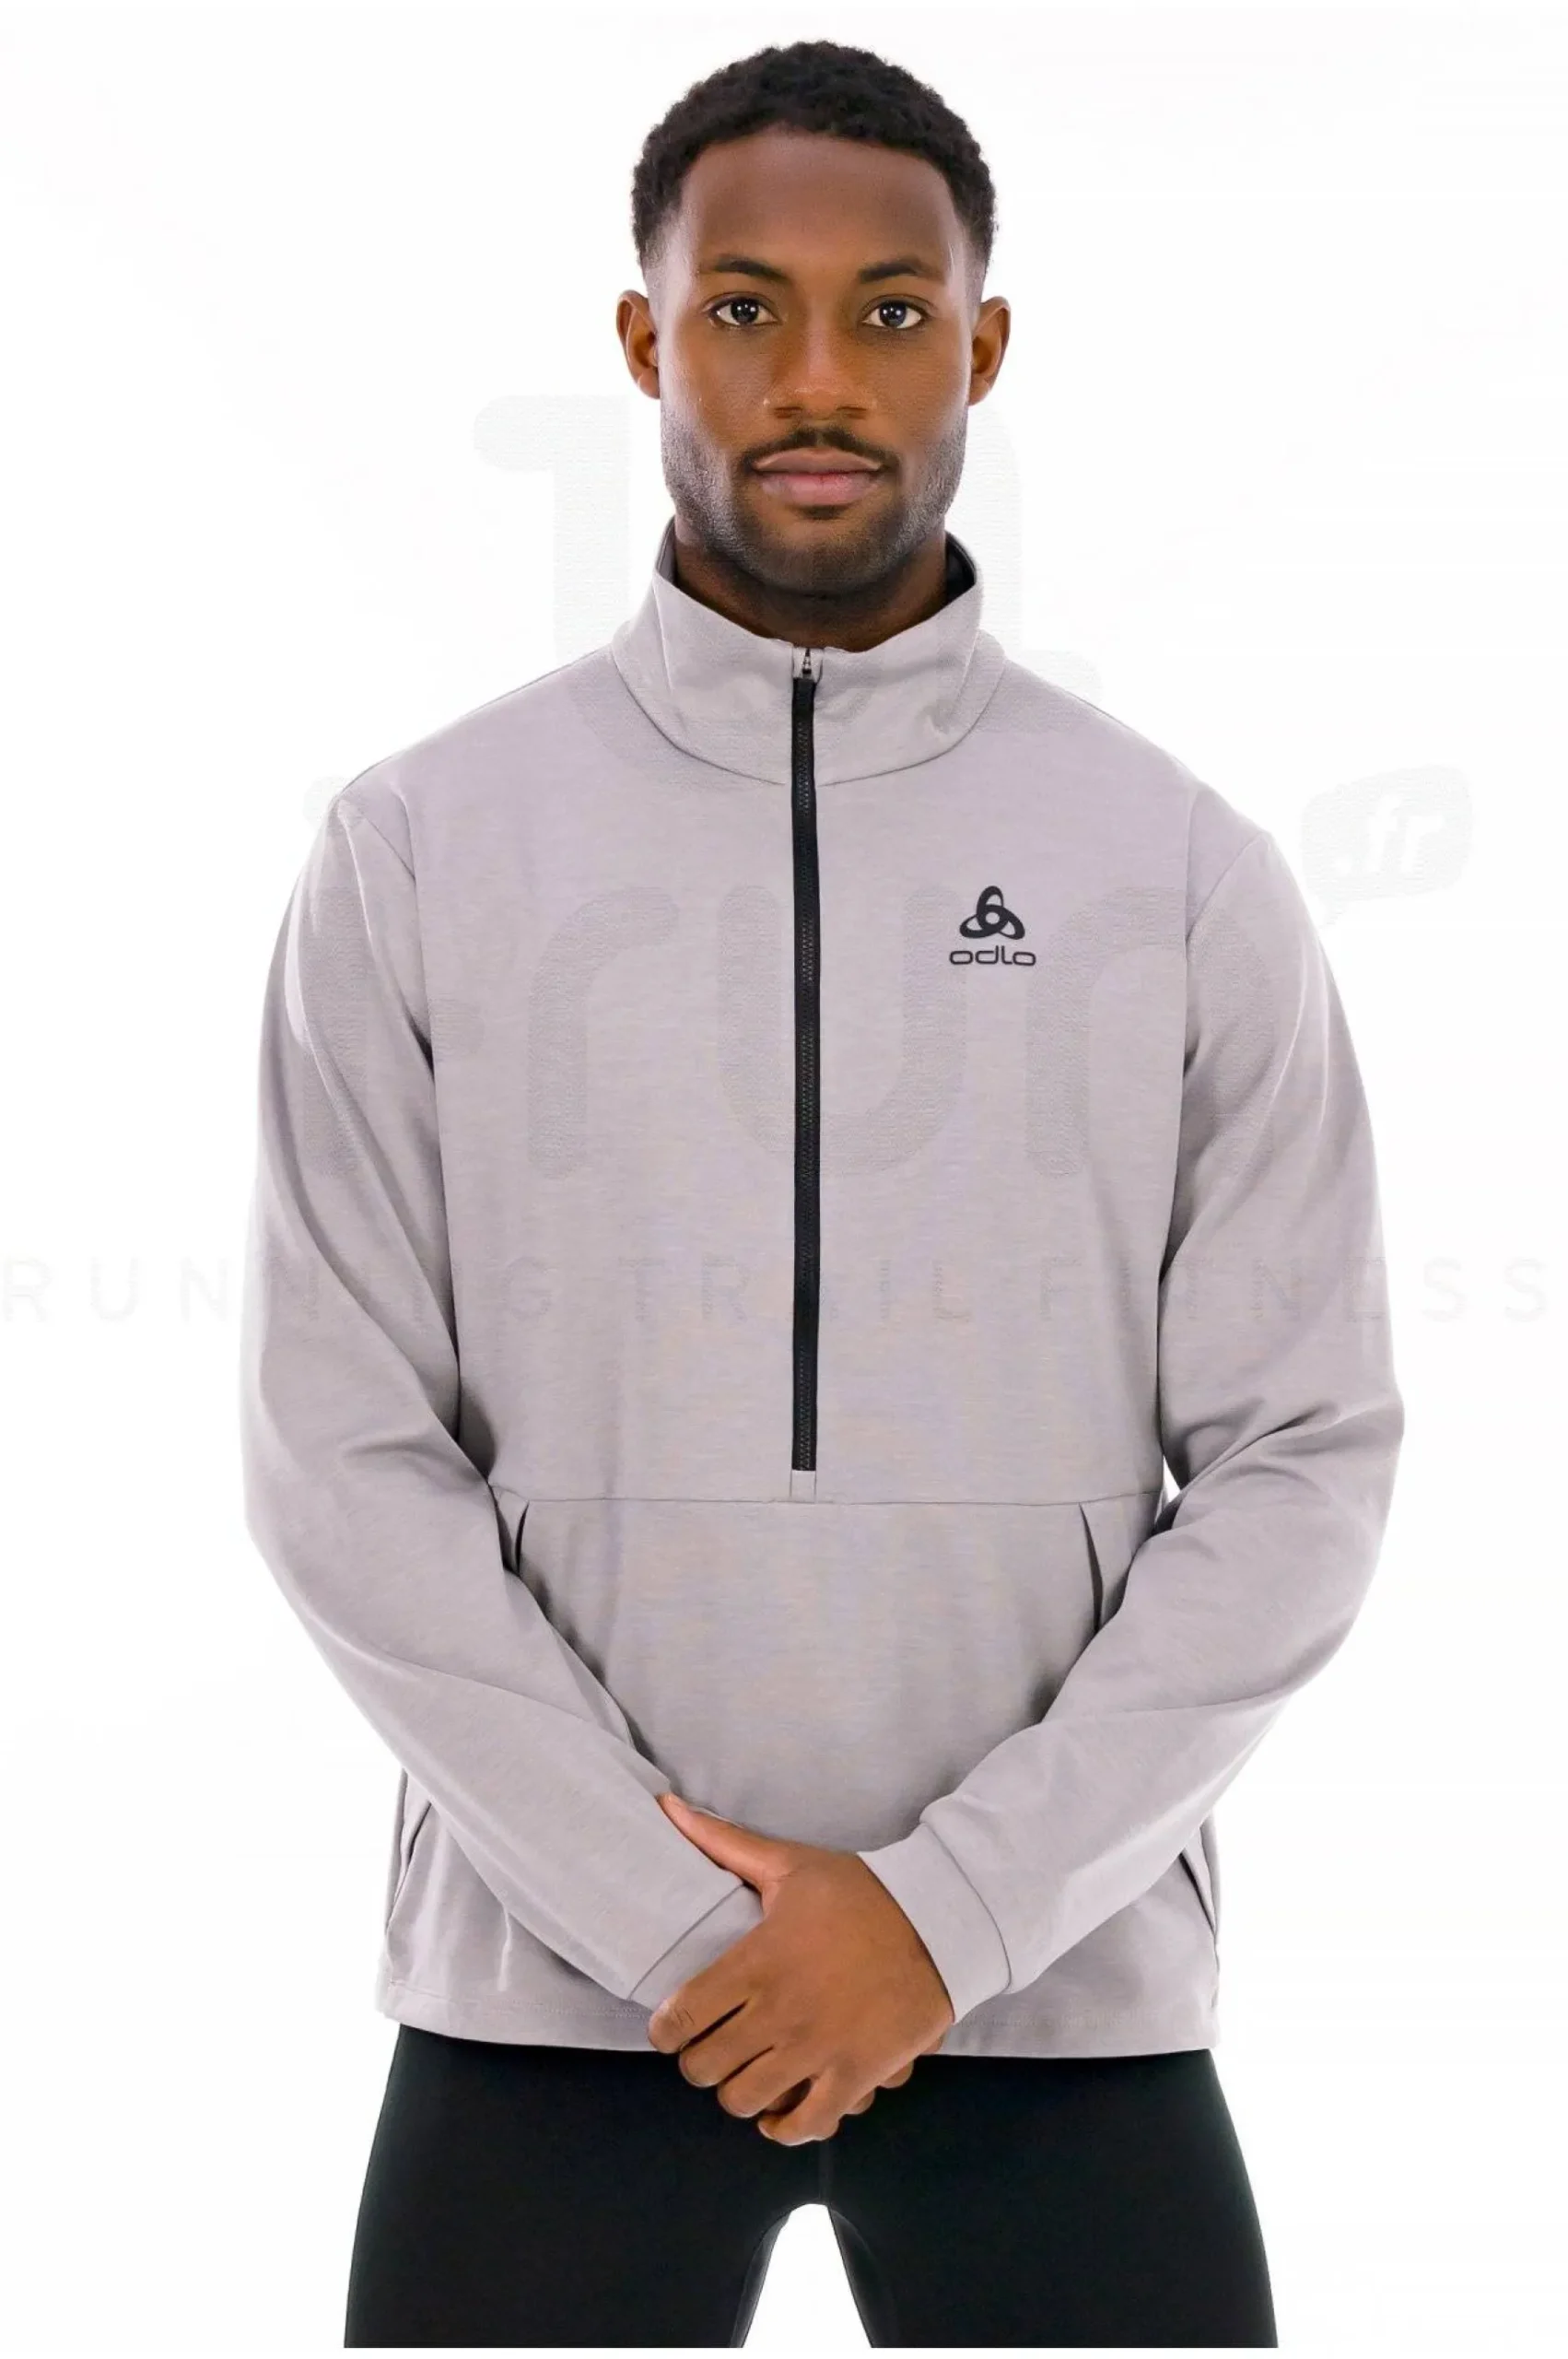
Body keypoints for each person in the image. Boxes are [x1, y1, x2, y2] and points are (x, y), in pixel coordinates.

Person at [238, 37, 1403, 2349]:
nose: (815, 377)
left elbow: (1301, 1457)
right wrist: (694, 1938)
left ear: (980, 344)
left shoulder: (1173, 866)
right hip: (553, 2004)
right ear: (640, 337)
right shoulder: (418, 849)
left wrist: (941, 1919)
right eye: (743, 306)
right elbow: (337, 1458)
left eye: (888, 311)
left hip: (1052, 1997)